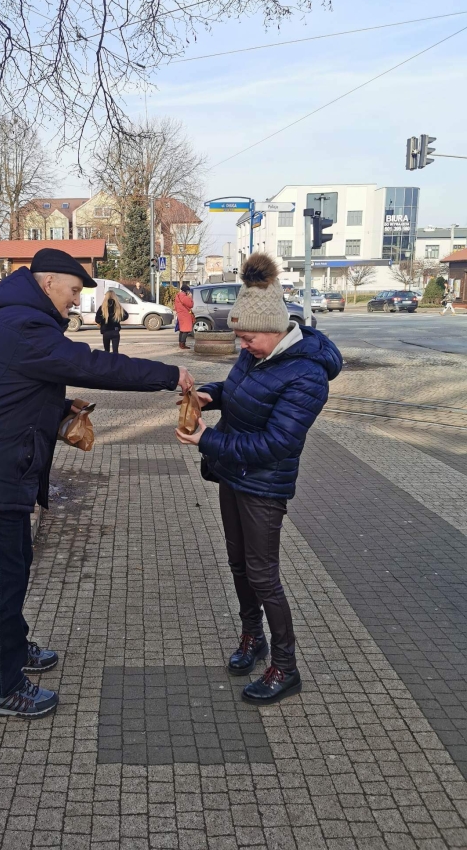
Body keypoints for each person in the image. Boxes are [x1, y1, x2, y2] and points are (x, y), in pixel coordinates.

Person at [0, 247, 194, 719]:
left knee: (16, 567)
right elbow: (93, 365)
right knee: (4, 580)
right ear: (47, 283)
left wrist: (58, 410)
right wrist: (167, 374)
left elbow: (11, 390)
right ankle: (3, 688)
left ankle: (15, 647)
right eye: (74, 290)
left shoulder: (16, 318)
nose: (77, 301)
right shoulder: (24, 325)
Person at [176, 254, 342, 705]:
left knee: (263, 576)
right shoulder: (258, 354)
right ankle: (253, 637)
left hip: (264, 485)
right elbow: (239, 390)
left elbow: (276, 443)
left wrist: (207, 440)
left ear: (274, 330)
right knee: (238, 564)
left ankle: (286, 667)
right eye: (240, 338)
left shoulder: (307, 374)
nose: (243, 345)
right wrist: (210, 394)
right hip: (234, 474)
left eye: (247, 338)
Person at [174, 283, 194, 350]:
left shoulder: (178, 296)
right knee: (186, 330)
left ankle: (180, 344)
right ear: (186, 291)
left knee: (182, 330)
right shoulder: (184, 297)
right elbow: (191, 305)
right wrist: (190, 298)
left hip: (180, 314)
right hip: (185, 315)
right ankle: (183, 344)